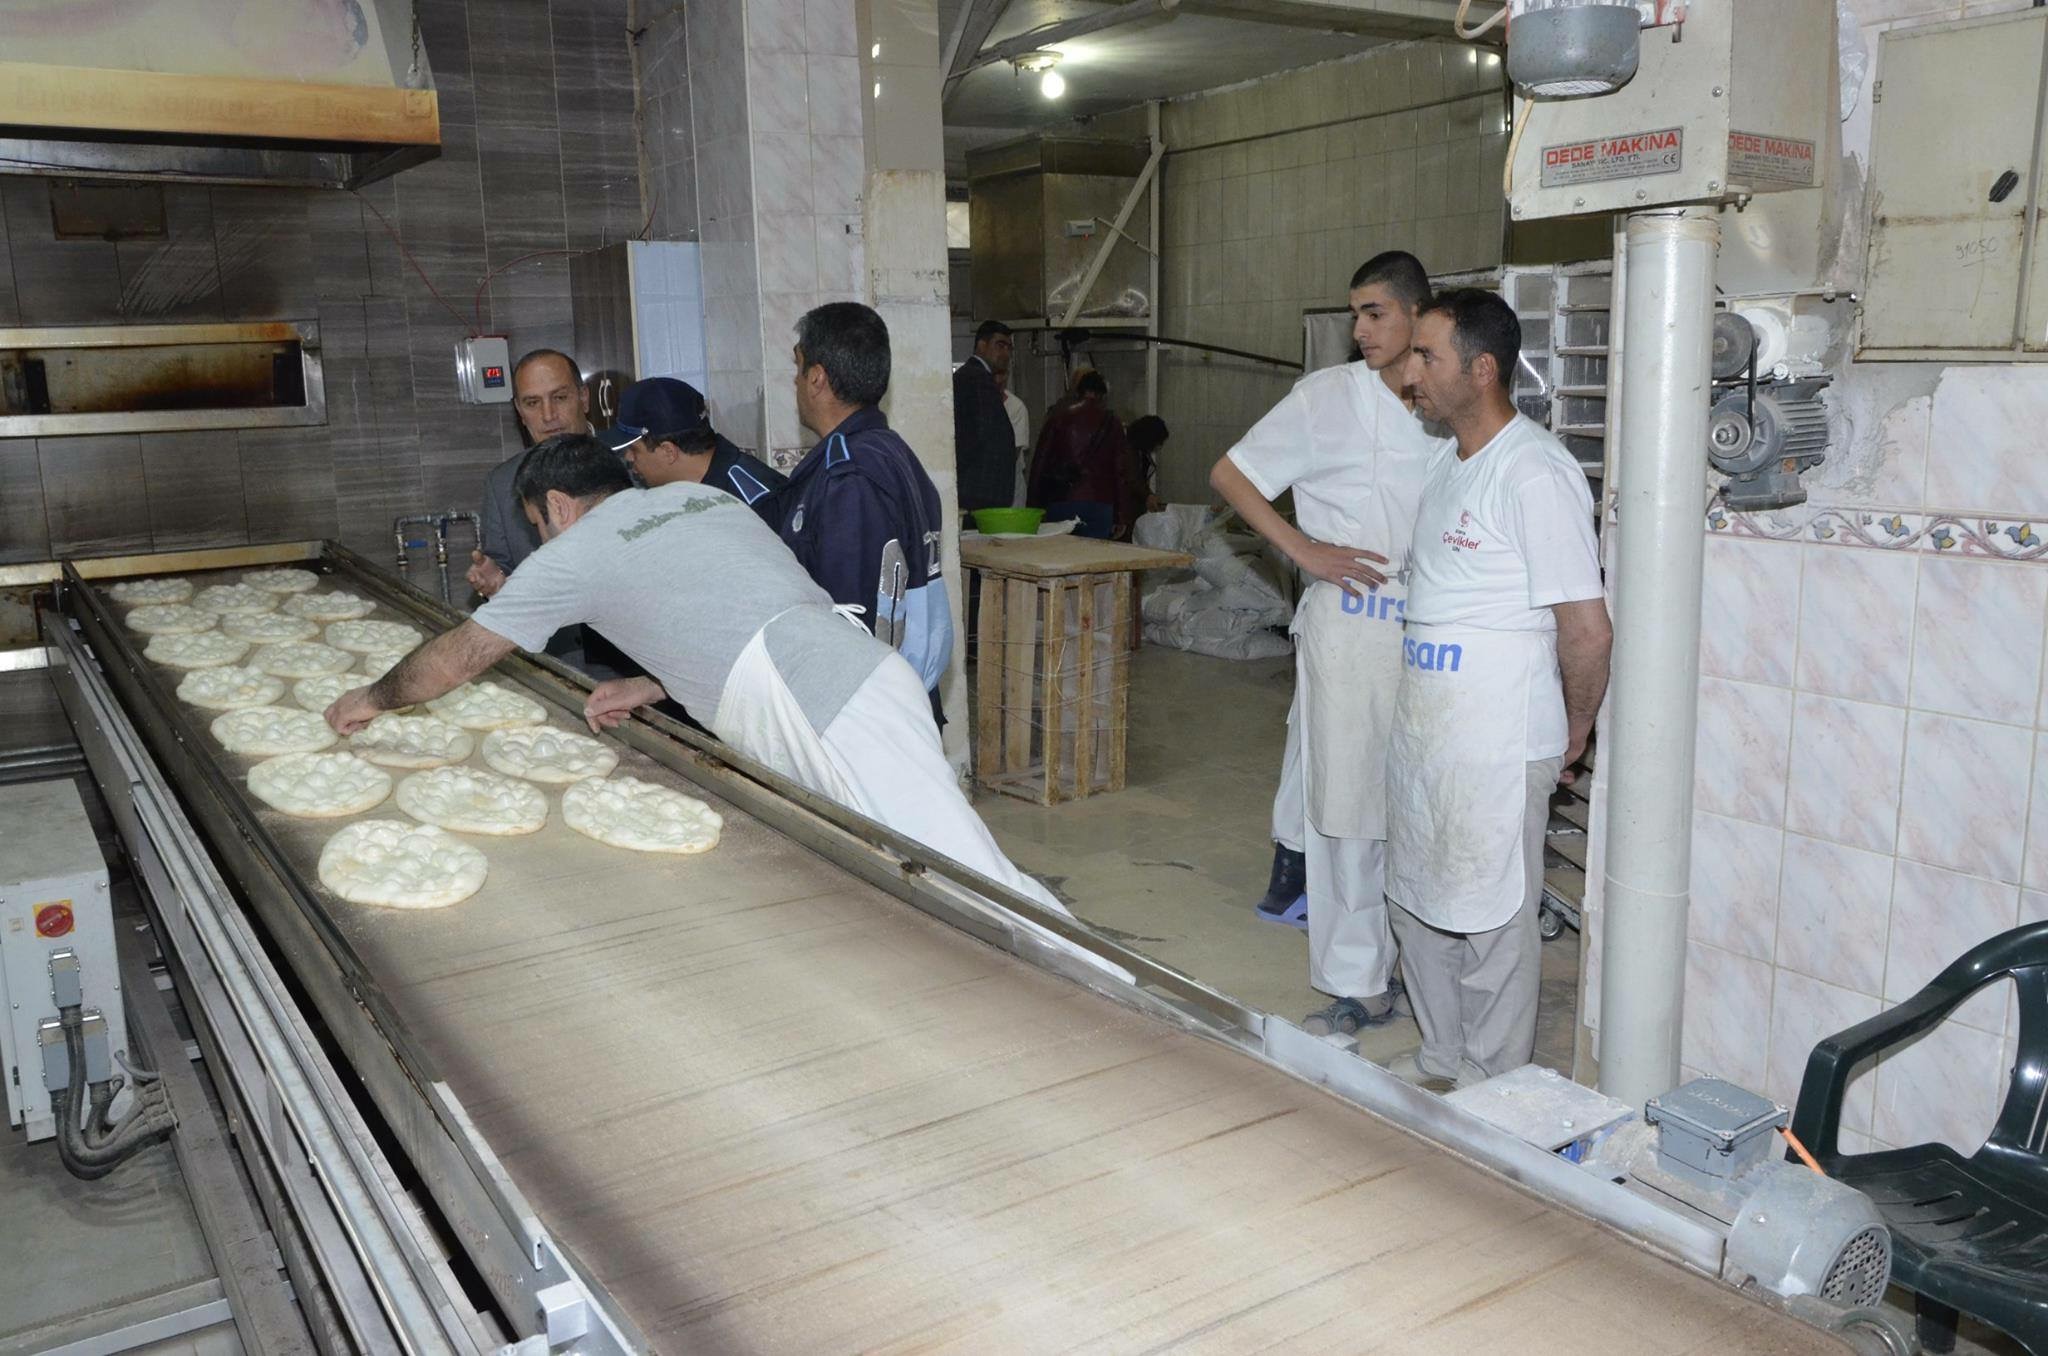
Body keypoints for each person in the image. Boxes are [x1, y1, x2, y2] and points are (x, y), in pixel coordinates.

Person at [320, 434, 1112, 976]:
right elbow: (740, 604)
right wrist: (656, 680)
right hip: (858, 673)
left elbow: (459, 657)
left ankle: (1133, 1003)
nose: (541, 540)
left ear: (558, 506)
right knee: (913, 876)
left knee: (972, 878)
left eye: (537, 526)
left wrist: (371, 698)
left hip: (813, 698)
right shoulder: (700, 502)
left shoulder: (581, 551)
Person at [1209, 251, 1448, 1039]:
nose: (1360, 329)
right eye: (1355, 314)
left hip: (1436, 629)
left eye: (1375, 313)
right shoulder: (1325, 399)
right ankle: (1357, 980)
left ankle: (1419, 967)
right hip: (1350, 630)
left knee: (1418, 806)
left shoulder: (1445, 405)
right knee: (1344, 809)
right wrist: (1306, 552)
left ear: (1417, 314)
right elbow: (1233, 474)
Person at [1384, 288, 1611, 1090]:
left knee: (1493, 916)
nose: (1409, 371)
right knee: (1417, 898)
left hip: (1499, 737)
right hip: (1428, 735)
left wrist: (1575, 733)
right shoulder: (1449, 464)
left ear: (1481, 371)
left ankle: (1493, 1082)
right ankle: (1441, 1058)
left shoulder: (1535, 472)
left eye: (1426, 356)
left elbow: (1586, 630)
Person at [779, 302, 953, 717]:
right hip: (899, 694)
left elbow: (850, 621)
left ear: (817, 378)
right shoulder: (888, 451)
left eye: (798, 367)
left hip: (866, 709)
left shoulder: (850, 475)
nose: (795, 380)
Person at [608, 376, 787, 525]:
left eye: (633, 450)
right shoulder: (683, 492)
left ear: (668, 452)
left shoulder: (754, 501)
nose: (629, 458)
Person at [1026, 369, 1135, 540]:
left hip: (1062, 500)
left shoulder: (1058, 418)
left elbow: (1040, 463)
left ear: (1078, 392)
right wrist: (1122, 515)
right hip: (1100, 503)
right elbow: (1120, 472)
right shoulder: (1113, 423)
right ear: (1103, 396)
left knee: (1062, 557)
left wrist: (1033, 507)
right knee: (1093, 559)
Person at [954, 319, 1018, 514]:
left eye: (1009, 347)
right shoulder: (977, 378)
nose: (1006, 354)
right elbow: (979, 434)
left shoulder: (973, 376)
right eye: (1000, 345)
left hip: (978, 491)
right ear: (982, 345)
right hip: (980, 493)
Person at [995, 367, 1031, 508]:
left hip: (1011, 487)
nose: (998, 380)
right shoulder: (977, 405)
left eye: (1001, 375)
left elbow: (1012, 453)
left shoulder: (1016, 407)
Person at [1127, 414, 1169, 515]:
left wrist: (1148, 495)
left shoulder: (1140, 453)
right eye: (1159, 442)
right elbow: (1133, 478)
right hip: (1127, 507)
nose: (1159, 447)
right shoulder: (1129, 452)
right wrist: (1148, 495)